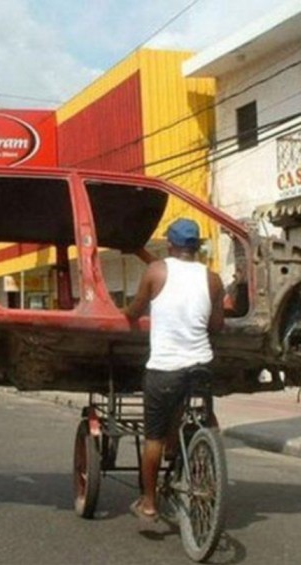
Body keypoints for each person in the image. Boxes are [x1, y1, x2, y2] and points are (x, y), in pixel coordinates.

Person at [123, 218, 225, 521]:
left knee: (152, 437)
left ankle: (149, 503)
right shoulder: (213, 279)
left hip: (165, 368)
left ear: (171, 244)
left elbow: (134, 311)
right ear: (195, 246)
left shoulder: (156, 271)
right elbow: (216, 325)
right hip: (201, 366)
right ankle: (203, 450)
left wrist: (123, 313)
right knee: (194, 407)